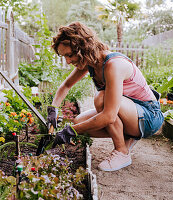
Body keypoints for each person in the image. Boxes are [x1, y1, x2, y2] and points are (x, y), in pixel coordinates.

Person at [47, 22, 164, 172]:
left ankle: (122, 152)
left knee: (101, 99)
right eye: (64, 57)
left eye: (69, 55)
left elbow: (109, 116)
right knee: (79, 121)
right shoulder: (90, 62)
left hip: (149, 116)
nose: (68, 61)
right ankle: (129, 136)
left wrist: (70, 131)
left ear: (83, 48)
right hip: (130, 113)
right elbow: (66, 86)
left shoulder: (113, 65)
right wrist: (53, 109)